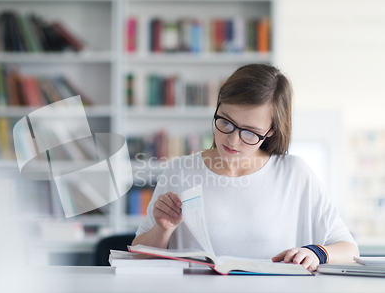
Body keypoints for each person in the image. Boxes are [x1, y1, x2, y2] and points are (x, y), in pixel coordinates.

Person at [132, 64, 359, 273]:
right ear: (218, 105)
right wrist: (163, 230)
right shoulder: (180, 170)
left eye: (250, 132)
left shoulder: (294, 174)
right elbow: (138, 257)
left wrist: (315, 253)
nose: (232, 140)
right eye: (225, 122)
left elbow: (349, 249)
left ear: (271, 130)